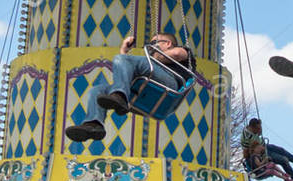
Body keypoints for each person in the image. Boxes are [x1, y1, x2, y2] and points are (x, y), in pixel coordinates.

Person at [65, 32, 195, 143]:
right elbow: (124, 68)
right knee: (97, 90)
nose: (151, 47)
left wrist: (154, 55)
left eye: (155, 42)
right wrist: (124, 51)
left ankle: (120, 97)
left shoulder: (184, 52)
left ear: (168, 43)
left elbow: (177, 54)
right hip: (147, 86)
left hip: (170, 83)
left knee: (123, 60)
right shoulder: (150, 63)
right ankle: (93, 124)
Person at [240, 117, 293, 181]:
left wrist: (259, 128)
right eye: (257, 129)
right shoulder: (247, 137)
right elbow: (248, 151)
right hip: (260, 153)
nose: (259, 130)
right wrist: (261, 156)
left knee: (281, 150)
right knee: (283, 160)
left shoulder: (252, 129)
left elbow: (258, 134)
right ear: (252, 128)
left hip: (263, 146)